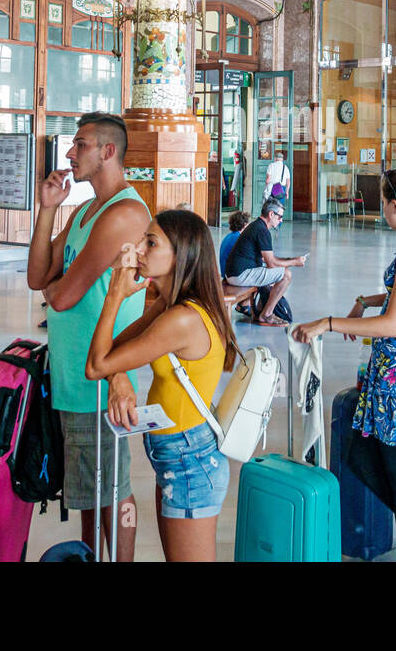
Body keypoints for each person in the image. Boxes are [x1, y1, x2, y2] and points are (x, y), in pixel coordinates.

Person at [293, 166, 396, 561]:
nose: (383, 209)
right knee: (363, 457)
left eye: (385, 202)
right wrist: (367, 302)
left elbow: (393, 323)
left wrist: (328, 323)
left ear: (395, 206)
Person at [27, 112, 150, 562]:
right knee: (89, 491)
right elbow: (40, 276)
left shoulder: (124, 213)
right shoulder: (84, 210)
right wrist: (47, 209)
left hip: (102, 378)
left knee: (111, 489)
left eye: (80, 144)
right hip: (74, 375)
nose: (69, 153)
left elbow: (60, 296)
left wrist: (55, 288)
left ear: (108, 151)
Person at [85, 210, 240, 561]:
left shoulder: (183, 319)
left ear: (180, 254)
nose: (138, 249)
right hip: (175, 452)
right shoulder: (171, 307)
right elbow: (114, 355)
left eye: (150, 243)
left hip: (190, 457)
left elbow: (96, 365)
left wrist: (114, 296)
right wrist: (120, 375)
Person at [223, 198, 308, 325]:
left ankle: (260, 310)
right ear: (271, 214)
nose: (281, 220)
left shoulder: (257, 226)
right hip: (239, 275)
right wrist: (294, 262)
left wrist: (290, 260)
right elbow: (271, 263)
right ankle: (266, 314)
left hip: (234, 274)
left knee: (276, 272)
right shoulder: (262, 231)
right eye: (279, 217)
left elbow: (268, 259)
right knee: (286, 275)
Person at [219, 210, 249, 278]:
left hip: (224, 272)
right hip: (231, 275)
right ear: (244, 225)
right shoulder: (239, 239)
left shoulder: (229, 236)